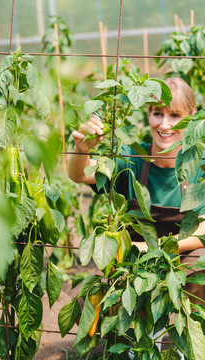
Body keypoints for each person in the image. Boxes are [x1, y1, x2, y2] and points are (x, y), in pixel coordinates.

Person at [68, 77, 205, 303]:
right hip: (136, 264)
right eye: (157, 113)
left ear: (191, 119)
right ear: (148, 115)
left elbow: (202, 233)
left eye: (175, 115)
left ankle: (189, 331)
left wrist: (153, 248)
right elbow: (80, 175)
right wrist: (81, 150)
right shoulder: (133, 159)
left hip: (180, 259)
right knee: (87, 302)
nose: (164, 124)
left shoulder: (199, 166)